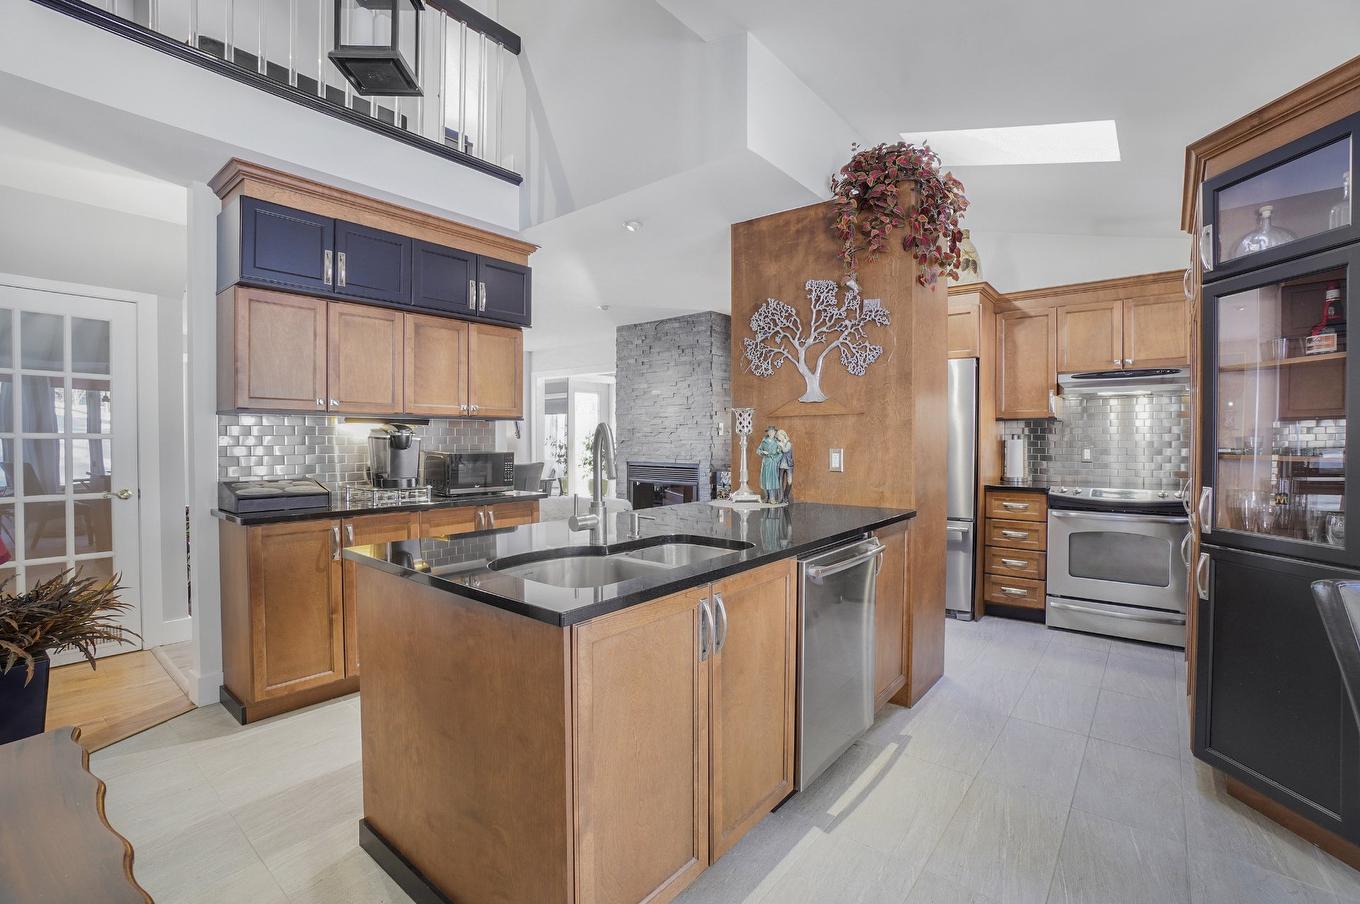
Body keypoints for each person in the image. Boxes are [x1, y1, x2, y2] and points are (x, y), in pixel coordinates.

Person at [756, 426, 782, 504]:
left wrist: (775, 460)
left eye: (772, 431)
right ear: (767, 432)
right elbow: (758, 450)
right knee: (765, 480)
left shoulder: (777, 442)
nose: (771, 433)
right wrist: (763, 452)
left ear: (775, 432)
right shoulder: (764, 441)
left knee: (772, 480)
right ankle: (766, 497)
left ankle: (772, 498)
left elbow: (780, 453)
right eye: (769, 431)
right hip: (765, 462)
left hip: (772, 462)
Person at [776, 429, 794, 504]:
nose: (779, 438)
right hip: (781, 465)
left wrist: (781, 445)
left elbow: (785, 450)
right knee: (780, 482)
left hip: (788, 465)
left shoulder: (788, 444)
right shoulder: (778, 443)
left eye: (780, 436)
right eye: (778, 436)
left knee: (789, 481)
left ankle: (786, 497)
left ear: (784, 435)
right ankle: (781, 498)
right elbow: (777, 451)